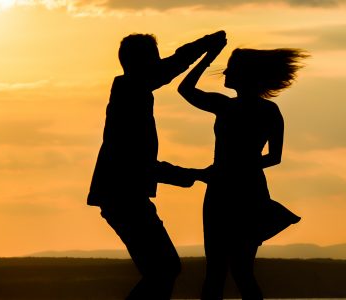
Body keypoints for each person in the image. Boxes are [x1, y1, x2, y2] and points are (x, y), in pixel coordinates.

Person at [87, 31, 226, 300]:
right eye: (154, 59)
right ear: (143, 63)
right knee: (164, 269)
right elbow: (138, 164)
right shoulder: (130, 92)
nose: (160, 64)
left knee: (163, 269)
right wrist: (193, 174)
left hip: (125, 196)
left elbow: (170, 66)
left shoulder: (132, 91)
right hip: (123, 197)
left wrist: (205, 45)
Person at [178, 35, 307, 300]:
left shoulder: (239, 108)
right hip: (235, 189)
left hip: (235, 189)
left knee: (232, 270)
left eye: (230, 69)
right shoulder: (234, 106)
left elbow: (275, 157)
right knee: (228, 270)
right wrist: (209, 56)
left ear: (245, 75)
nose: (225, 72)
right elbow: (185, 90)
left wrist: (235, 167)